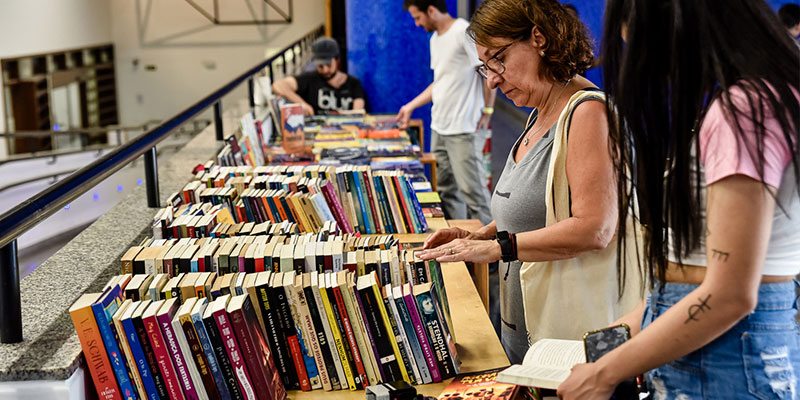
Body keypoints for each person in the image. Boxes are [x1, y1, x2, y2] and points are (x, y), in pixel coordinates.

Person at [558, 0, 800, 398]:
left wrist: (603, 375)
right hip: (715, 353)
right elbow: (692, 268)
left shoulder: (744, 110)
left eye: (639, 44)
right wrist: (608, 349)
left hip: (724, 361)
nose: (649, 68)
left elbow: (728, 294)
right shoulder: (753, 100)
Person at [417, 0, 643, 363]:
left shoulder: (588, 114)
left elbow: (595, 228)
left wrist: (498, 248)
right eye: (485, 68)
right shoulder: (539, 113)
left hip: (565, 349)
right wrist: (478, 236)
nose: (492, 79)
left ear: (538, 38)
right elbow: (540, 208)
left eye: (498, 59)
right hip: (524, 338)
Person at [398, 0, 495, 225]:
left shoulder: (464, 32)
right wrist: (410, 106)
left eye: (417, 17)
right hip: (439, 127)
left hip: (464, 129)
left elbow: (488, 71)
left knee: (475, 195)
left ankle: (491, 257)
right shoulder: (435, 39)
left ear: (430, 10)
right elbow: (441, 82)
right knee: (447, 193)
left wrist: (488, 111)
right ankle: (461, 249)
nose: (416, 23)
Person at [271, 37, 365, 116]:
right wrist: (302, 104)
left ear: (337, 60)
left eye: (328, 65)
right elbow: (278, 85)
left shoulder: (353, 83)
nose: (325, 70)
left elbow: (357, 112)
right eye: (320, 65)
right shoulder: (309, 79)